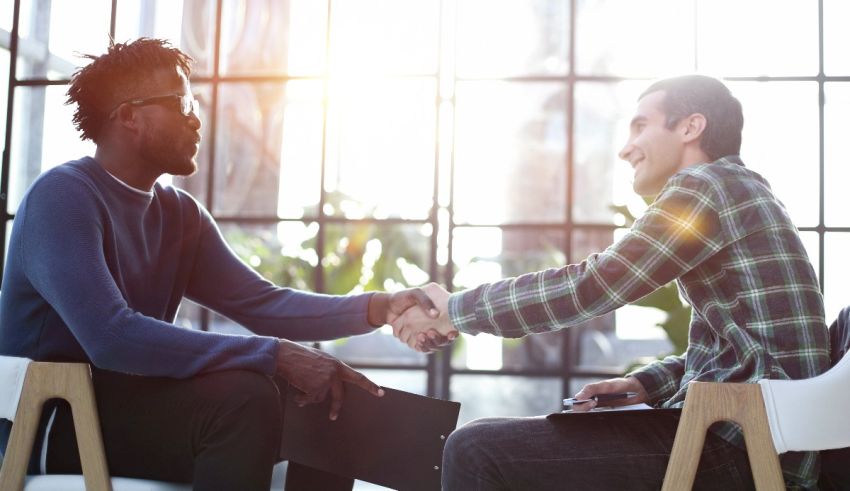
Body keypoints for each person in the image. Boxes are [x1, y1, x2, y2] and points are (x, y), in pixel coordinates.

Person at [0, 38, 442, 491]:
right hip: (51, 417)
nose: (195, 118)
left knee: (328, 397)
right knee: (243, 401)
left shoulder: (178, 214)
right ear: (129, 116)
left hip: (135, 400)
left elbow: (261, 302)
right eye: (181, 101)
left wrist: (381, 307)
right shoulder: (63, 197)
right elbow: (111, 337)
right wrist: (274, 354)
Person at [393, 75, 830, 490]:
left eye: (641, 126)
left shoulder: (706, 187)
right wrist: (646, 385)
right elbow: (732, 351)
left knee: (475, 449)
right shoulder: (739, 189)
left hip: (741, 448)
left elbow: (594, 286)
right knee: (489, 441)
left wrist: (455, 309)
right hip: (755, 440)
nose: (626, 149)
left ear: (692, 127)